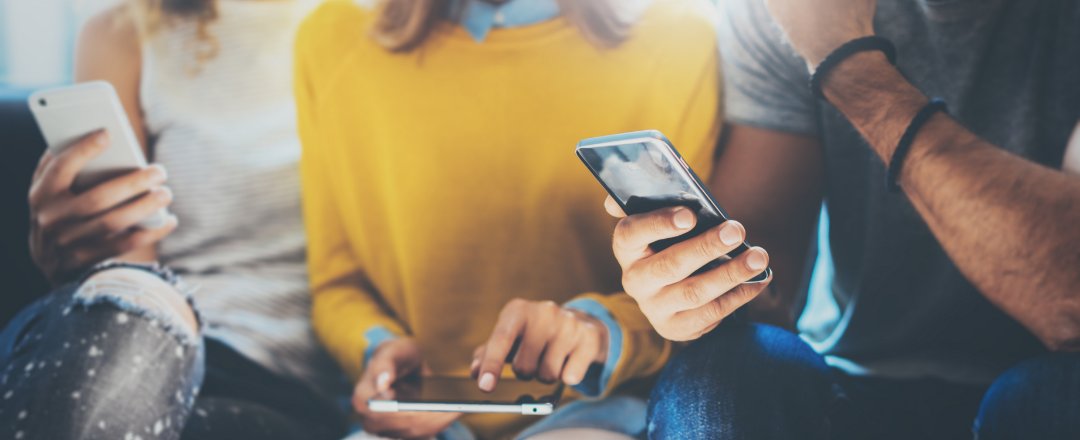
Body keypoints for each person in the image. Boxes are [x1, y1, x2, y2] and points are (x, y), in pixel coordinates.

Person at [602, 0, 1080, 438]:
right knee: (721, 376)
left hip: (1046, 375)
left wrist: (847, 62)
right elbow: (770, 271)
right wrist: (702, 293)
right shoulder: (783, 11)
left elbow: (1068, 302)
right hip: (857, 376)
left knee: (1054, 394)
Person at [293, 0, 722, 437]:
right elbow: (337, 284)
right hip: (409, 422)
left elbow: (695, 291)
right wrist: (377, 349)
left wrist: (596, 331)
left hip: (591, 413)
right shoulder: (330, 40)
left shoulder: (679, 43)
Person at [0, 1, 347, 439]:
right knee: (125, 305)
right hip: (144, 339)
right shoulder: (124, 33)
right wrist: (80, 267)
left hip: (280, 386)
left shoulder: (372, 27)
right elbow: (132, 266)